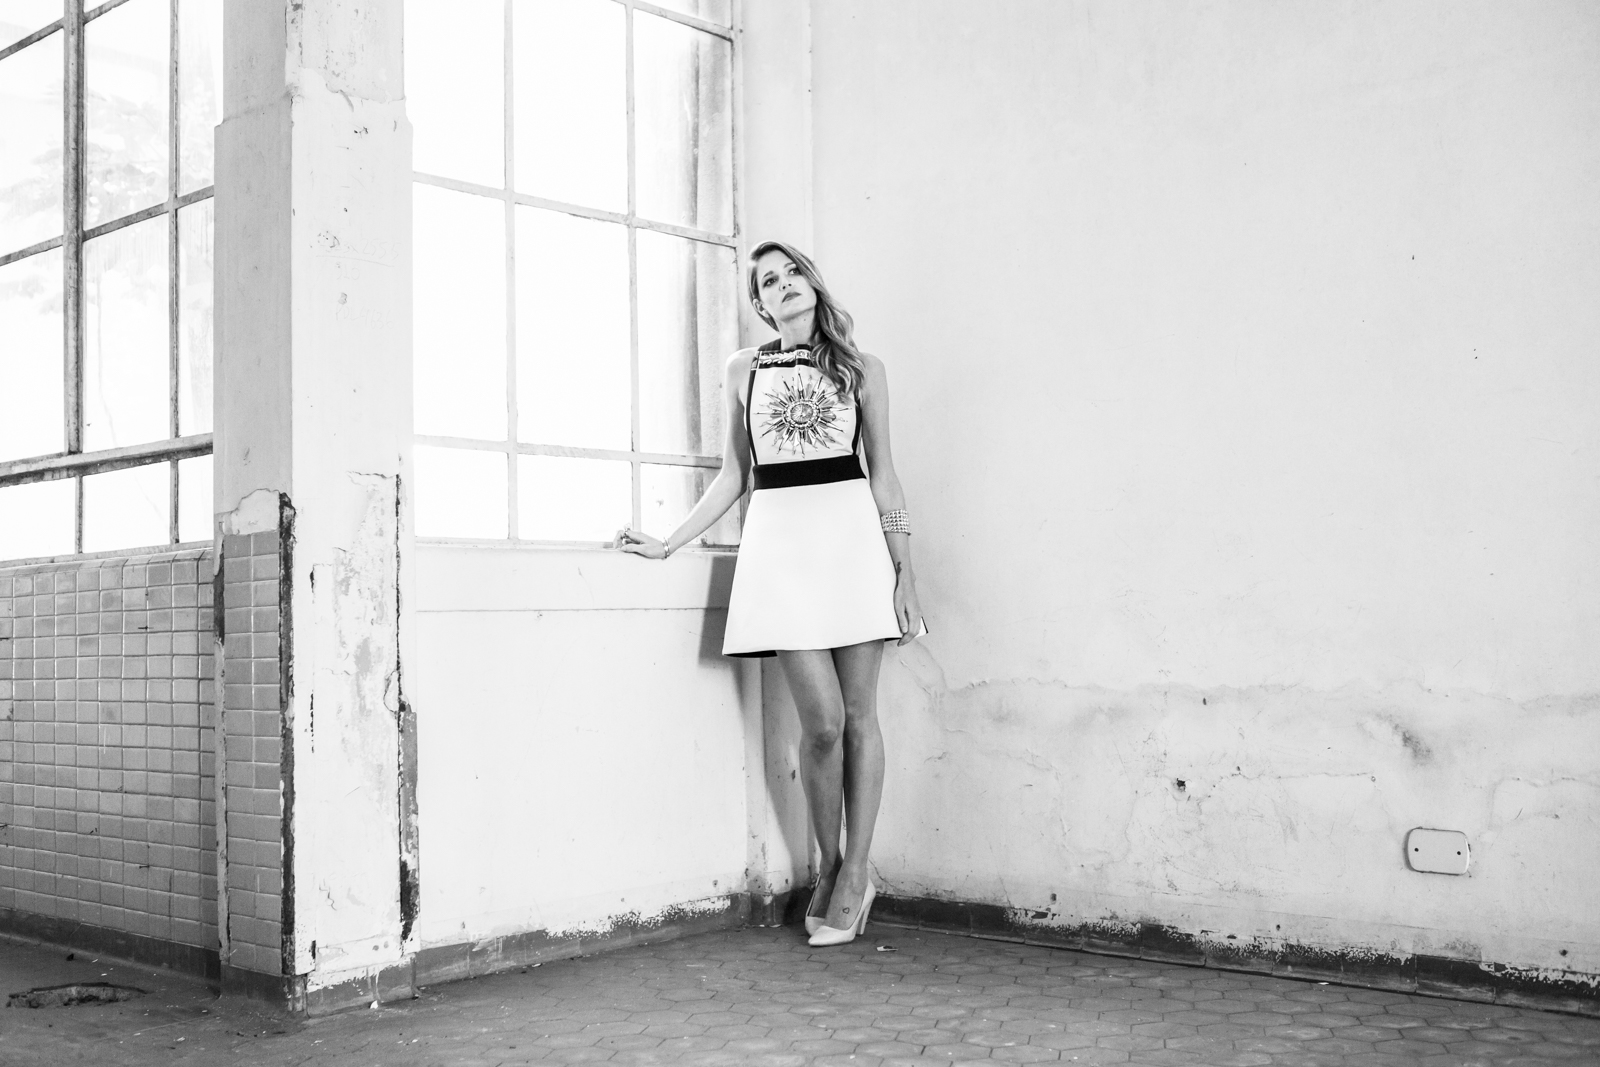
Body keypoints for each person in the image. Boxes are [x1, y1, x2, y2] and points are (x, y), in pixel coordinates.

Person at [613, 240, 925, 947]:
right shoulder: (743, 370)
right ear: (759, 303)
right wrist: (669, 542)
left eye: (792, 273)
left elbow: (884, 476)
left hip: (854, 547)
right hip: (781, 554)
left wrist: (905, 572)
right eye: (769, 281)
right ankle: (828, 862)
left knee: (860, 717)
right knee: (821, 726)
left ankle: (856, 875)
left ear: (813, 283)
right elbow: (734, 476)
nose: (784, 285)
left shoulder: (863, 369)